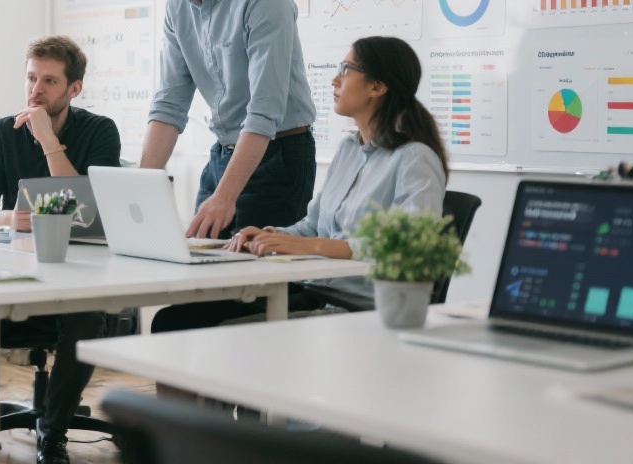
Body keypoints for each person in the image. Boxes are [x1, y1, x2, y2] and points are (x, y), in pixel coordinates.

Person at [151, 36, 449, 334]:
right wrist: (269, 236)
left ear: (377, 87)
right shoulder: (348, 150)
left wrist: (313, 245)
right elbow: (312, 226)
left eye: (346, 69)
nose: (335, 79)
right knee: (176, 318)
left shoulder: (415, 159)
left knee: (184, 326)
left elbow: (411, 247)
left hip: (362, 307)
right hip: (316, 292)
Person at [0, 35, 120, 464]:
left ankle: (54, 429)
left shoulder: (100, 132)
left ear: (74, 88)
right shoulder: (1, 132)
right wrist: (9, 217)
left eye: (49, 80)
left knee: (86, 323)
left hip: (76, 277)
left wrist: (49, 140)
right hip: (9, 278)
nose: (36, 90)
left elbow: (85, 209)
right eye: (31, 78)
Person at [139, 0, 318, 239]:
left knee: (248, 283)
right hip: (223, 153)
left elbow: (265, 109)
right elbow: (169, 106)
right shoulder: (177, 9)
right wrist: (136, 190)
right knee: (195, 274)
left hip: (278, 157)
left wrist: (225, 196)